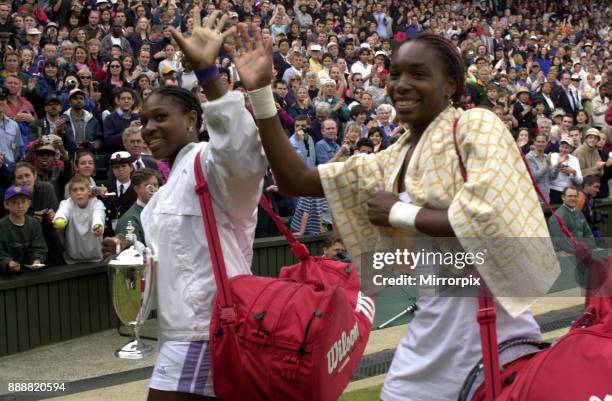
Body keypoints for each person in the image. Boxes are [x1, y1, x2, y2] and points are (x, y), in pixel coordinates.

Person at [241, 30, 559, 401]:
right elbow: (294, 179)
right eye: (395, 74)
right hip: (430, 335)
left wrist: (399, 212)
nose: (402, 84)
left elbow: (487, 217)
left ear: (452, 84)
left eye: (419, 74)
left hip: (495, 339)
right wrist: (261, 94)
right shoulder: (394, 156)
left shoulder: (477, 124)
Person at [103, 11, 267, 401]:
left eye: (161, 117)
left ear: (192, 118)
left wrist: (208, 74)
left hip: (205, 331)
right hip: (178, 331)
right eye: (143, 120)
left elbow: (243, 153)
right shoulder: (164, 188)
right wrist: (133, 253)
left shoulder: (209, 162)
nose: (149, 128)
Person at [53, 174, 106, 264]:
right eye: (75, 190)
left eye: (82, 189)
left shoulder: (97, 204)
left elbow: (98, 216)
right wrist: (59, 219)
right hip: (72, 260)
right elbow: (62, 212)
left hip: (96, 259)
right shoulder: (67, 203)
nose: (78, 193)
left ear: (89, 191)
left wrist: (98, 226)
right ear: (70, 194)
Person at [0, 185, 47, 275]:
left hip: (32, 274)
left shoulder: (34, 224)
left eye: (23, 201)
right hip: (8, 276)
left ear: (29, 203)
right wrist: (8, 263)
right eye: (14, 202)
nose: (20, 206)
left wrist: (37, 261)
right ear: (6, 204)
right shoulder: (1, 226)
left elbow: (40, 247)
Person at [547, 185, 595, 253]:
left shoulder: (579, 213)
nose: (573, 198)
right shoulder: (556, 217)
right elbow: (561, 242)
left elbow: (588, 233)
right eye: (570, 196)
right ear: (563, 197)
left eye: (575, 196)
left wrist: (591, 247)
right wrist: (579, 252)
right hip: (565, 254)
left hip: (583, 251)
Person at [115, 168, 158, 243]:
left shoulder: (160, 211)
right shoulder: (130, 219)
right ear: (137, 189)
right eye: (148, 186)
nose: (153, 189)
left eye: (155, 185)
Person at [102, 151, 137, 236]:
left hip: (130, 233)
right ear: (113, 170)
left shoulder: (137, 188)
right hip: (110, 235)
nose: (120, 169)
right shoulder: (106, 188)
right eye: (116, 167)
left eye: (123, 166)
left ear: (131, 168)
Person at [549, 137, 583, 204]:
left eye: (566, 147)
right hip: (553, 190)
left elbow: (580, 181)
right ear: (559, 147)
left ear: (571, 149)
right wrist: (558, 165)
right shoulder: (553, 156)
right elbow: (549, 175)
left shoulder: (574, 159)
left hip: (568, 192)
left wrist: (573, 172)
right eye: (562, 147)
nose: (563, 149)